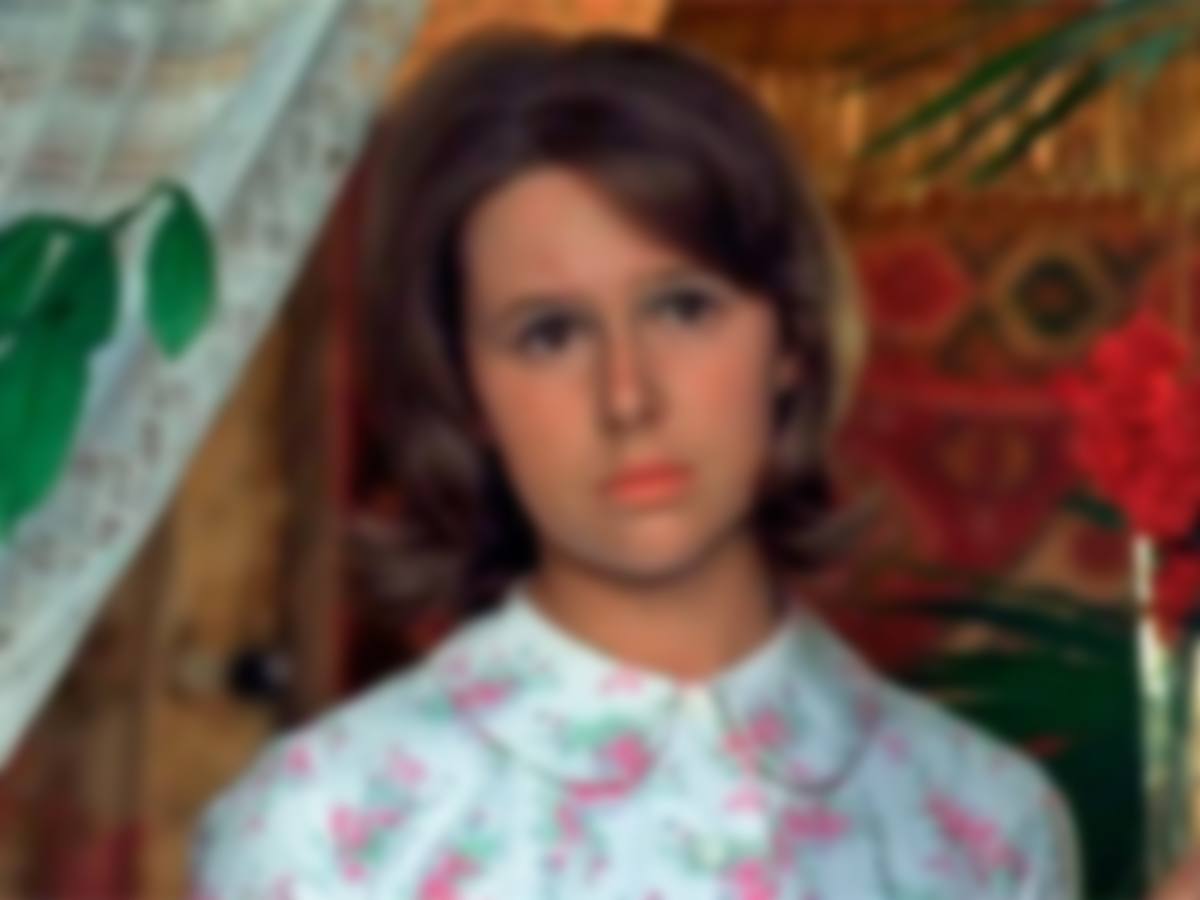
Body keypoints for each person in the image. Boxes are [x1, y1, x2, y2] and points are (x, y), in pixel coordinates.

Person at [188, 27, 1083, 899]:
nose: (627, 397)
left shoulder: (987, 825)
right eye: (550, 334)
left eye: (683, 309)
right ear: (465, 389)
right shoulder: (323, 834)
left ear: (791, 336)